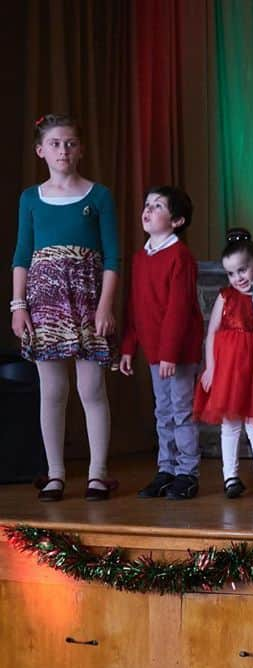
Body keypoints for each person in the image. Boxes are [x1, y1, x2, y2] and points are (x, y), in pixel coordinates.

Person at [10, 114, 120, 501]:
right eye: (55, 143)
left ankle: (97, 473)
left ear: (81, 150)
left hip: (88, 301)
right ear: (41, 150)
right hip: (44, 303)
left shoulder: (99, 196)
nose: (63, 150)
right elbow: (22, 254)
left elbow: (112, 258)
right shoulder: (30, 198)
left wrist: (105, 306)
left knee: (91, 387)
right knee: (52, 389)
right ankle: (55, 473)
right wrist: (18, 305)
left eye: (70, 143)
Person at [119, 186, 204, 499]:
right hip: (155, 352)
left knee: (181, 411)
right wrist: (129, 346)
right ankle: (166, 469)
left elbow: (178, 310)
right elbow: (136, 307)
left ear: (177, 220)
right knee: (162, 412)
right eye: (147, 204)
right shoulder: (141, 258)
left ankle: (187, 473)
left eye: (157, 206)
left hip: (177, 353)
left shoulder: (180, 256)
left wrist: (170, 353)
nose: (148, 210)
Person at [193, 228, 253, 499]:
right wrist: (211, 368)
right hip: (228, 372)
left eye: (243, 269)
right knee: (229, 425)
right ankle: (230, 477)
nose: (237, 278)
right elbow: (212, 333)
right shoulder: (225, 296)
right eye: (231, 273)